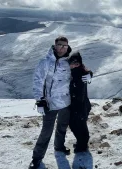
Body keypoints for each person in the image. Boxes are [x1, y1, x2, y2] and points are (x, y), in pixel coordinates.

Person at [29, 36, 72, 169]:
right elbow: (38, 81)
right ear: (54, 45)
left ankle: (59, 147)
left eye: (64, 46)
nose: (62, 48)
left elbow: (81, 72)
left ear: (68, 47)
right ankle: (36, 158)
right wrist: (39, 101)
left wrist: (90, 74)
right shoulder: (45, 62)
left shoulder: (70, 61)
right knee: (46, 132)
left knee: (62, 127)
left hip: (66, 102)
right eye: (59, 45)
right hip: (50, 103)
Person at [68, 51, 92, 153]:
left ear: (80, 63)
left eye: (77, 63)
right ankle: (80, 141)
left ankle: (83, 145)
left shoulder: (82, 72)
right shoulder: (68, 72)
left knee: (81, 125)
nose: (74, 65)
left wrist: (90, 74)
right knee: (72, 124)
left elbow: (87, 72)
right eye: (72, 63)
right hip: (72, 104)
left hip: (82, 104)